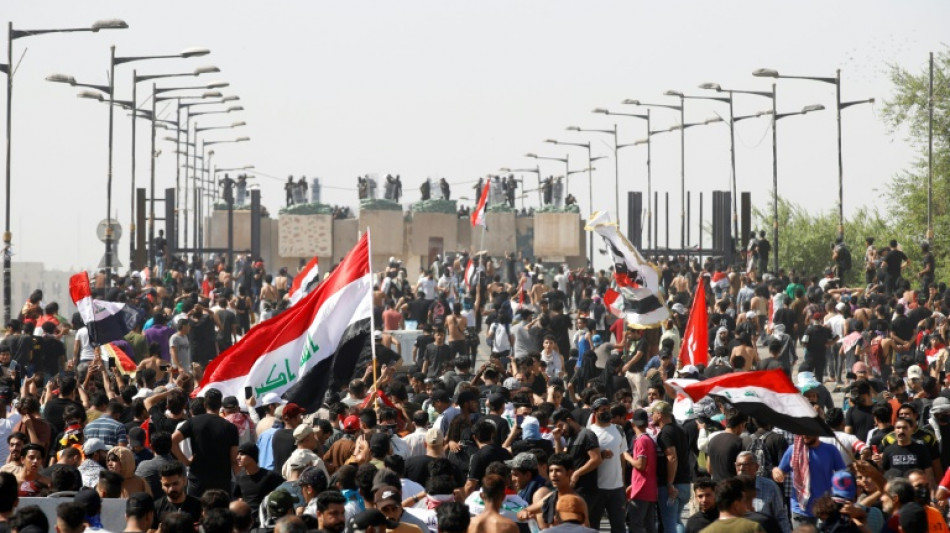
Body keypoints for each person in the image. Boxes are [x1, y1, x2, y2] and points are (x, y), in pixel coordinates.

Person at [171, 388, 239, 496]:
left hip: (198, 480)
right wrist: (240, 482)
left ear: (205, 404)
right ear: (220, 405)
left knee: (196, 511)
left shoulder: (193, 422)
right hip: (221, 482)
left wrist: (186, 462)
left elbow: (172, 441)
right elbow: (234, 459)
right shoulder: (231, 427)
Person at [773, 434, 846, 527]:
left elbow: (843, 475)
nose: (804, 435)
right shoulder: (793, 450)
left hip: (825, 509)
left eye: (807, 432)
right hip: (800, 509)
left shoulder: (831, 450)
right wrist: (776, 472)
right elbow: (780, 471)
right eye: (801, 432)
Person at [586, 398, 626, 533]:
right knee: (593, 526)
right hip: (596, 489)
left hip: (617, 488)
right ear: (595, 412)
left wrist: (623, 481)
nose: (606, 412)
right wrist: (600, 455)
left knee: (619, 527)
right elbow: (585, 459)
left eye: (608, 409)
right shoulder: (589, 433)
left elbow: (622, 457)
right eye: (603, 410)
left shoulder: (619, 430)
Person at [627, 409, 657, 533]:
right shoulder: (649, 439)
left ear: (633, 424)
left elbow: (640, 465)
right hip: (649, 488)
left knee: (636, 525)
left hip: (641, 489)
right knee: (649, 525)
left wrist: (626, 456)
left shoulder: (641, 440)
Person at [233, 443, 283, 512]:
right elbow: (239, 497)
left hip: (265, 518)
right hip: (248, 519)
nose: (238, 457)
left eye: (242, 454)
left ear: (252, 456)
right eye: (238, 454)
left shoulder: (270, 476)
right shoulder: (239, 477)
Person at [152, 462, 202, 528]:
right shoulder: (156, 507)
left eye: (175, 484)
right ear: (161, 484)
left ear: (184, 481)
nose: (171, 489)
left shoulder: (198, 505)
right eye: (167, 485)